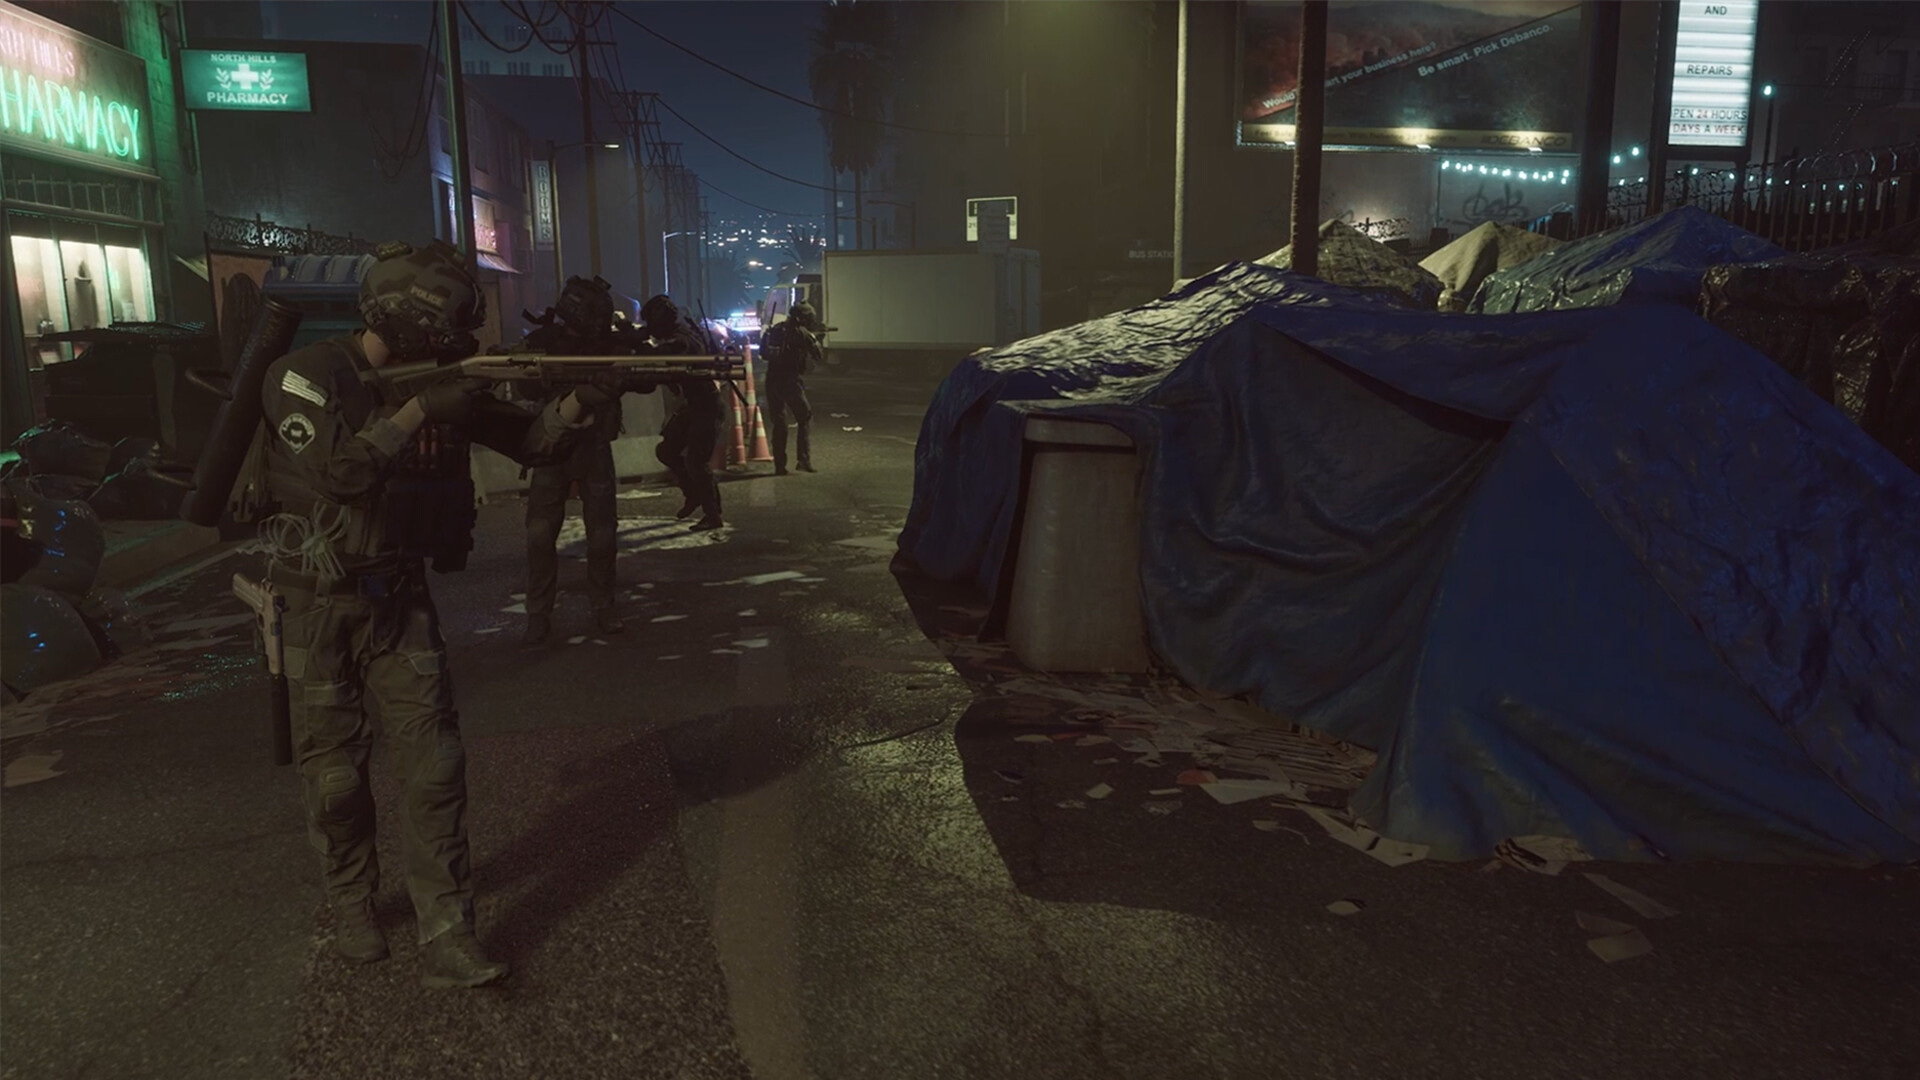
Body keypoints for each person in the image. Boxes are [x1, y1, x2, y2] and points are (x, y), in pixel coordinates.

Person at [257, 240, 614, 989]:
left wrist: (580, 401)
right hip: (318, 606)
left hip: (399, 597)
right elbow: (340, 474)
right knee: (336, 779)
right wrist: (417, 410)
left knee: (436, 768)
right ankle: (351, 901)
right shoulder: (303, 377)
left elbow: (533, 442)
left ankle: (449, 932)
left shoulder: (444, 380)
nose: (456, 342)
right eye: (446, 327)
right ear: (406, 317)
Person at [515, 276, 640, 647]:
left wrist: (626, 365)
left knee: (602, 535)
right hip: (553, 447)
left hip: (592, 445)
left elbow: (646, 378)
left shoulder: (607, 345)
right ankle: (539, 613)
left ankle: (603, 605)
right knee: (540, 536)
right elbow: (523, 384)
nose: (600, 324)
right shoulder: (544, 342)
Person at [641, 295, 725, 531]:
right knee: (666, 450)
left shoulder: (681, 340)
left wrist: (642, 348)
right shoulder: (683, 332)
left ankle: (713, 514)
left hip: (707, 405)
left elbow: (667, 352)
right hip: (695, 405)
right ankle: (693, 494)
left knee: (696, 462)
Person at [759, 301, 824, 476]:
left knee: (779, 422)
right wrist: (815, 338)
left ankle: (780, 465)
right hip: (789, 380)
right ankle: (803, 460)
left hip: (772, 379)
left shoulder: (776, 329)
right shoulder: (802, 333)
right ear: (803, 318)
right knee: (805, 417)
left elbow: (763, 353)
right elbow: (818, 355)